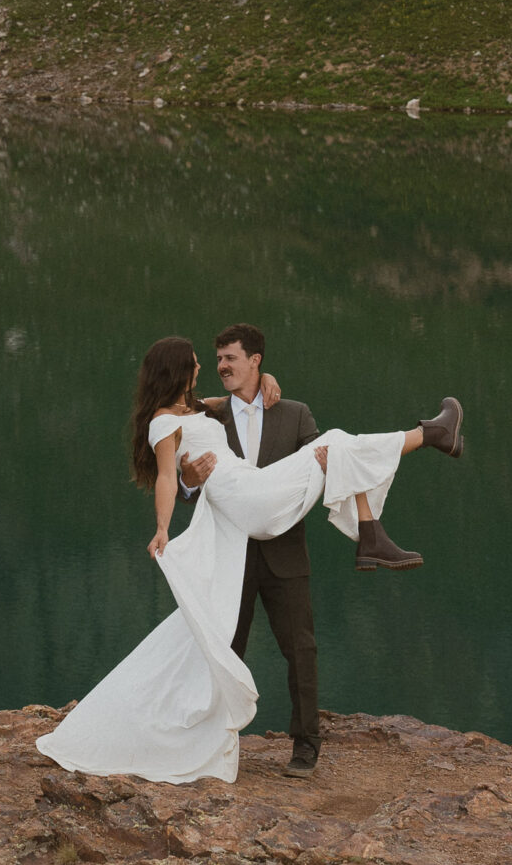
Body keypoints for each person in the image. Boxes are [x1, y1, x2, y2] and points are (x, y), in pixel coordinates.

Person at [36, 336, 464, 787]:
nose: (208, 367)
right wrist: (163, 526)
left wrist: (265, 382)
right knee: (336, 446)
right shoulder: (163, 422)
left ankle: (373, 532)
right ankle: (426, 444)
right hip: (244, 503)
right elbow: (167, 476)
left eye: (223, 359)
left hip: (262, 510)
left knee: (336, 447)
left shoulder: (207, 408)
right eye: (201, 363)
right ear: (177, 370)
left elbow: (241, 397)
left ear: (253, 361)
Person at [181, 323, 461, 777]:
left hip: (285, 551)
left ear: (256, 361)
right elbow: (184, 486)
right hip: (228, 550)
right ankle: (211, 743)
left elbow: (323, 473)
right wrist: (189, 482)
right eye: (218, 359)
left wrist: (332, 465)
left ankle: (306, 746)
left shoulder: (293, 413)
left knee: (301, 650)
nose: (221, 366)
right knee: (222, 650)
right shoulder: (208, 418)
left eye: (230, 358)